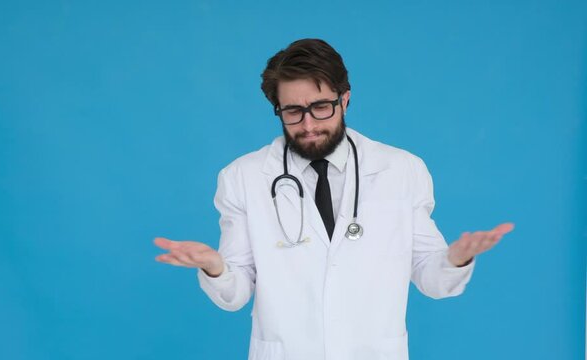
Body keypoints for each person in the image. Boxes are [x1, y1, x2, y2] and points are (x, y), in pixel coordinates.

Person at [154, 38, 514, 360]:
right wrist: (214, 266)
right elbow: (234, 294)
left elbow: (431, 278)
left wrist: (455, 259)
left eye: (321, 107)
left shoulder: (401, 170)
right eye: (292, 111)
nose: (308, 124)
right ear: (277, 109)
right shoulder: (242, 178)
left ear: (345, 98)